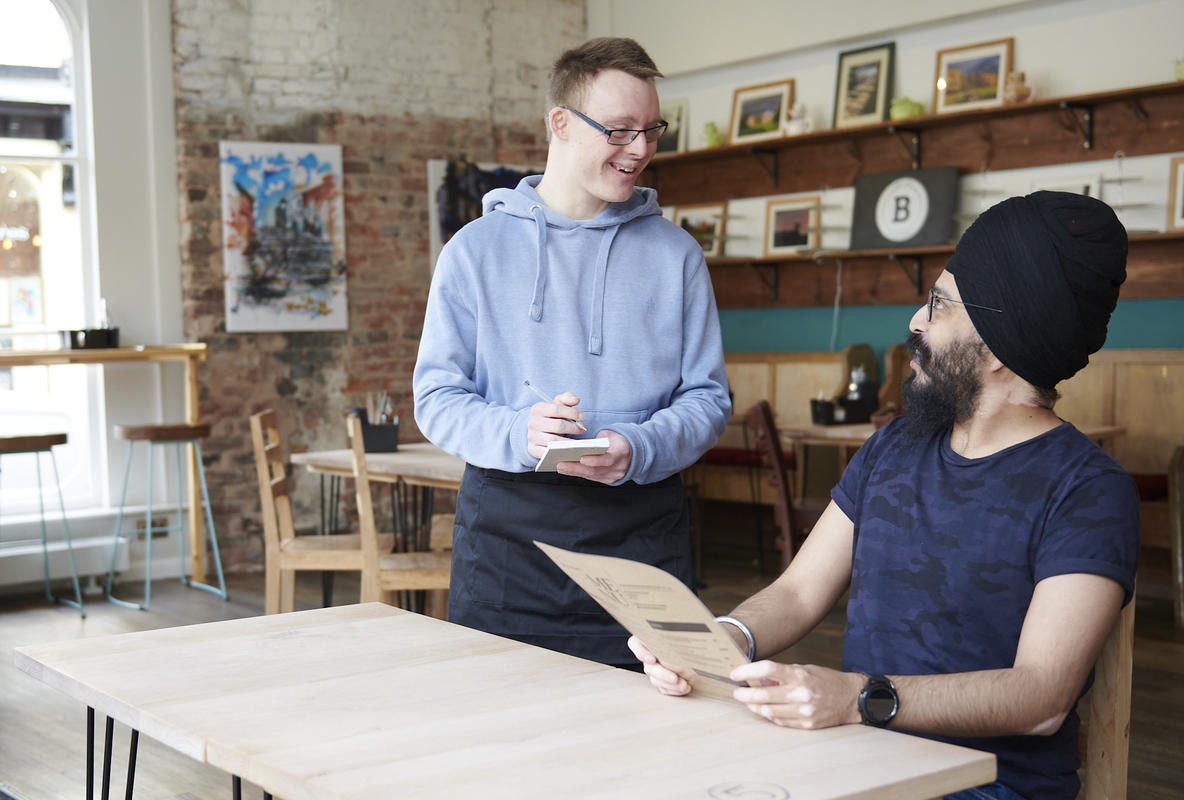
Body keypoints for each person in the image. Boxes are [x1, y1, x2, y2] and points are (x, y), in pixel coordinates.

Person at [630, 191, 1139, 800]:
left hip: (987, 788)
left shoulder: (1088, 490)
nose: (916, 322)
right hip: (854, 762)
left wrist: (858, 697)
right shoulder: (895, 445)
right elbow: (797, 591)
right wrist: (722, 642)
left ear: (1001, 345)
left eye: (940, 305)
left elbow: (1039, 698)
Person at [413, 37, 730, 668]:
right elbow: (436, 399)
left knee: (649, 740)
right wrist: (518, 431)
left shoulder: (677, 256)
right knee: (502, 738)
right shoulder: (473, 252)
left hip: (643, 534)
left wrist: (639, 446)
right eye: (619, 130)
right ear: (560, 124)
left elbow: (708, 399)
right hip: (508, 541)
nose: (640, 149)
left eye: (652, 130)